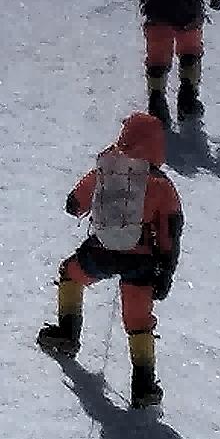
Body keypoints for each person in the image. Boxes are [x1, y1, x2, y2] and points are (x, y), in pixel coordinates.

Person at [37, 112, 183, 409]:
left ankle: (67, 334)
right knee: (138, 320)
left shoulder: (108, 168)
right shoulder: (161, 185)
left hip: (102, 251)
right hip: (141, 261)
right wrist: (166, 270)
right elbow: (170, 232)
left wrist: (80, 203)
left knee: (71, 274)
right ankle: (143, 386)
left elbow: (75, 202)